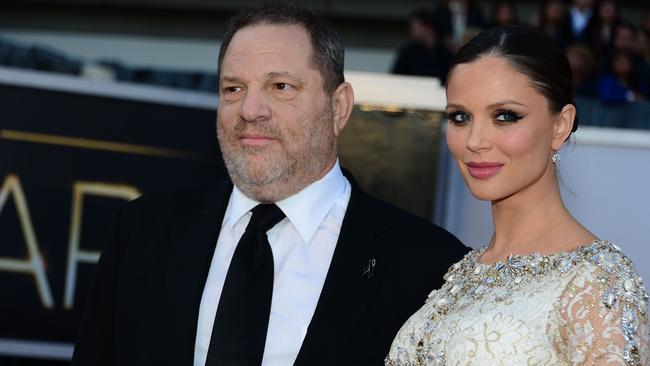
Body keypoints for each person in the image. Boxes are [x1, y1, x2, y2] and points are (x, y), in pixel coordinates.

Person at [71, 2, 469, 366]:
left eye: (280, 87)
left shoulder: (427, 267)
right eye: (234, 88)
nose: (249, 110)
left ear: (339, 107)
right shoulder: (142, 233)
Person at [386, 26, 649, 365]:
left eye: (505, 116)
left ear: (560, 126)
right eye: (460, 117)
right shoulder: (462, 270)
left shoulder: (596, 284)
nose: (475, 141)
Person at [391, 9, 454, 84]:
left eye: (414, 29)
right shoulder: (408, 52)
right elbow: (395, 78)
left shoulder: (445, 54)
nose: (411, 32)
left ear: (428, 28)